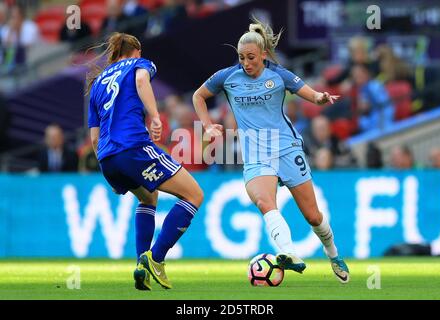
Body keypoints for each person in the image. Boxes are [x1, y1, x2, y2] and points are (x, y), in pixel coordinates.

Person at [192, 19, 350, 284]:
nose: (246, 63)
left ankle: (332, 253)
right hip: (255, 154)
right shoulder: (228, 77)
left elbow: (310, 94)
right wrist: (207, 127)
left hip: (287, 148)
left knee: (313, 215)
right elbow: (198, 96)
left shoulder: (278, 74)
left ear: (263, 54)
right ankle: (288, 253)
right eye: (242, 58)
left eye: (251, 57)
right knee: (266, 203)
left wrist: (321, 97)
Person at [86, 32, 203, 291]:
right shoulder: (140, 64)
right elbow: (141, 81)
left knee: (148, 198)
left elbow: (94, 138)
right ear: (135, 51)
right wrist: (156, 116)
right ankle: (157, 258)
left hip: (107, 158)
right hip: (134, 148)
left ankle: (141, 265)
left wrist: (109, 166)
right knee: (194, 194)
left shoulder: (97, 84)